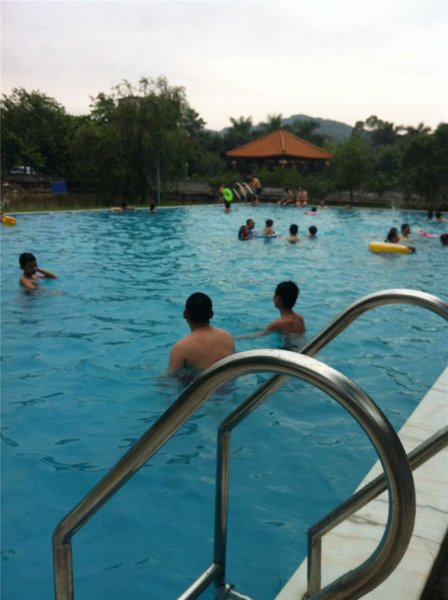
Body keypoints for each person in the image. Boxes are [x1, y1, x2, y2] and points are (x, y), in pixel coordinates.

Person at [168, 293, 235, 373]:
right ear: (211, 314)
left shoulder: (181, 347)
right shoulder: (227, 337)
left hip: (205, 381)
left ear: (185, 314)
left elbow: (171, 378)